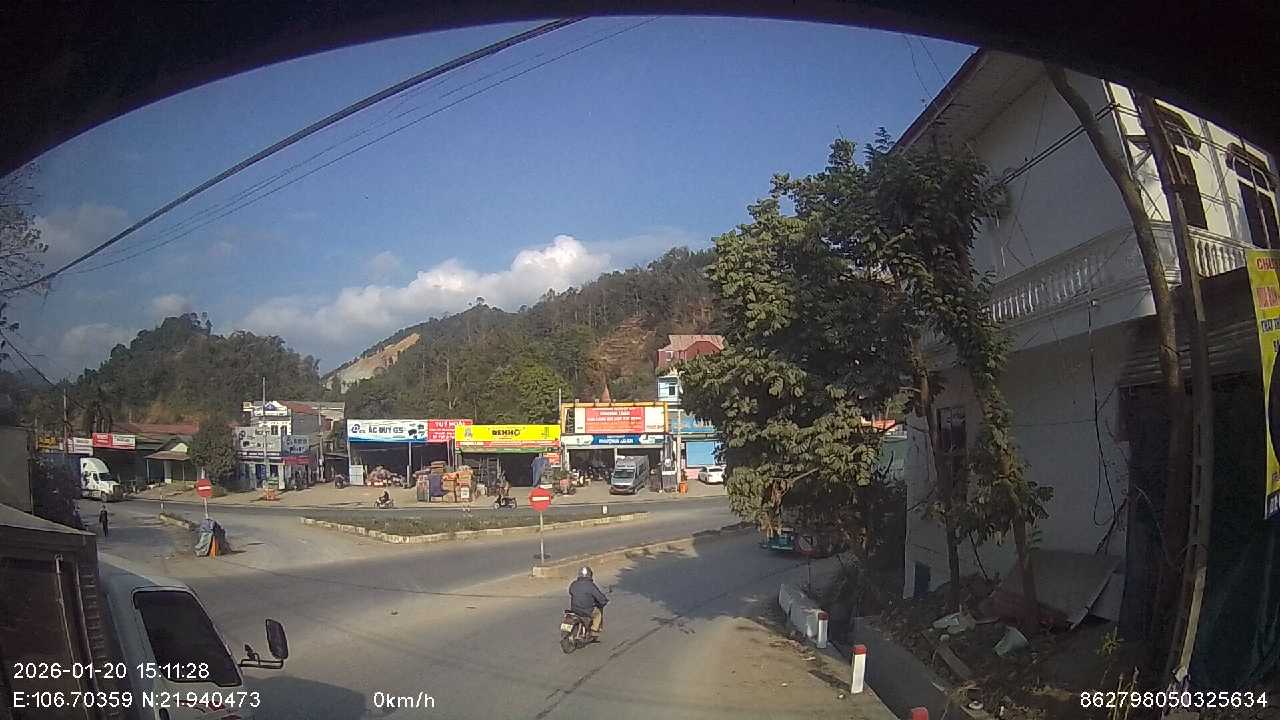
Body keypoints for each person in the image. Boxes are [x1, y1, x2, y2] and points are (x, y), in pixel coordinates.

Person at [568, 566, 608, 640]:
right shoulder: (591, 586)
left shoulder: (574, 584)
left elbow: (570, 592)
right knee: (598, 613)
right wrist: (604, 601)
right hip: (587, 611)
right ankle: (594, 630)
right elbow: (599, 597)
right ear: (590, 575)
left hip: (574, 609)